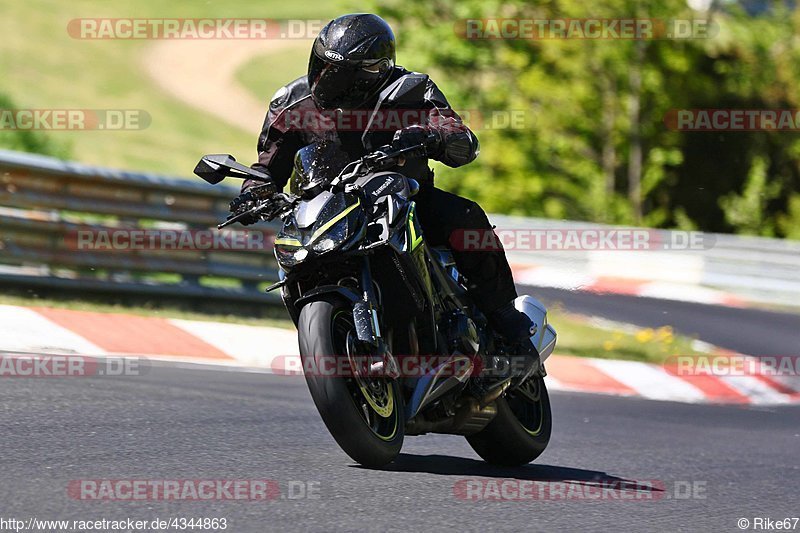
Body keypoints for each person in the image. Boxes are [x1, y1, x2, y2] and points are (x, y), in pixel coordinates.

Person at [230, 13, 539, 376]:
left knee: (465, 217)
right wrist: (253, 191)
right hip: (327, 208)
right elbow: (268, 165)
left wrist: (435, 136)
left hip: (404, 198)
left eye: (342, 74)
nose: (328, 80)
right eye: (324, 67)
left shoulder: (408, 90)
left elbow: (459, 137)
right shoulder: (292, 102)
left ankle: (510, 328)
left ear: (373, 72)